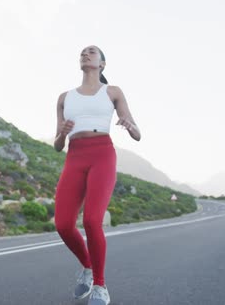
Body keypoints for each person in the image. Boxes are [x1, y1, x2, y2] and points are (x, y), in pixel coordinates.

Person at [53, 45, 141, 305]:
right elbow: (58, 146)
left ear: (102, 64)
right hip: (74, 156)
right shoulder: (64, 98)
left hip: (102, 154)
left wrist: (129, 125)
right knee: (63, 224)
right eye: (82, 51)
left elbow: (138, 134)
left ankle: (100, 286)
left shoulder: (112, 92)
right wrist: (62, 133)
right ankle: (88, 267)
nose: (86, 53)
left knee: (92, 221)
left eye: (92, 52)